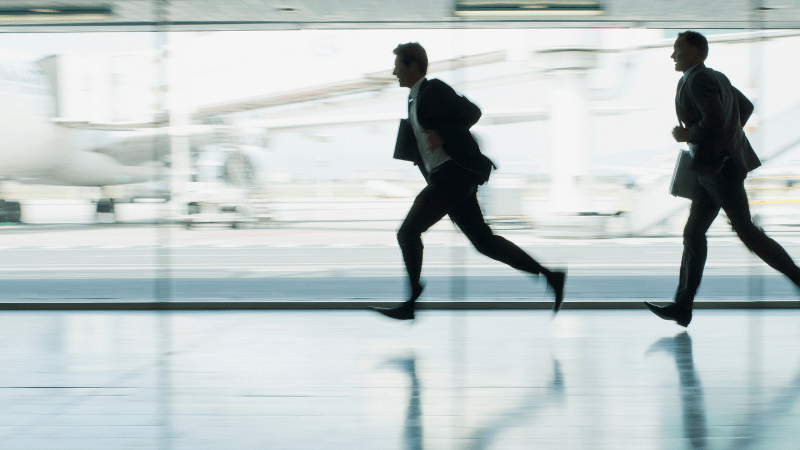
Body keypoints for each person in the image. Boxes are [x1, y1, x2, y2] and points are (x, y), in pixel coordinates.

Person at [370, 42, 565, 321]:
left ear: (413, 66)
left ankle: (412, 299)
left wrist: (444, 134)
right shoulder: (414, 98)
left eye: (398, 66)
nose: (393, 72)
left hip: (452, 177)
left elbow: (472, 112)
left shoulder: (433, 89)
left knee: (407, 233)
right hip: (448, 179)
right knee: (484, 242)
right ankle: (551, 276)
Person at [645, 31, 800, 327]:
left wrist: (689, 134)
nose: (673, 55)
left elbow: (714, 118)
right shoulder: (714, 77)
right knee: (694, 234)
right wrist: (729, 137)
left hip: (719, 170)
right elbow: (745, 108)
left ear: (693, 51)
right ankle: (682, 307)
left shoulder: (699, 79)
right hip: (711, 170)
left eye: (677, 49)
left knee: (747, 233)